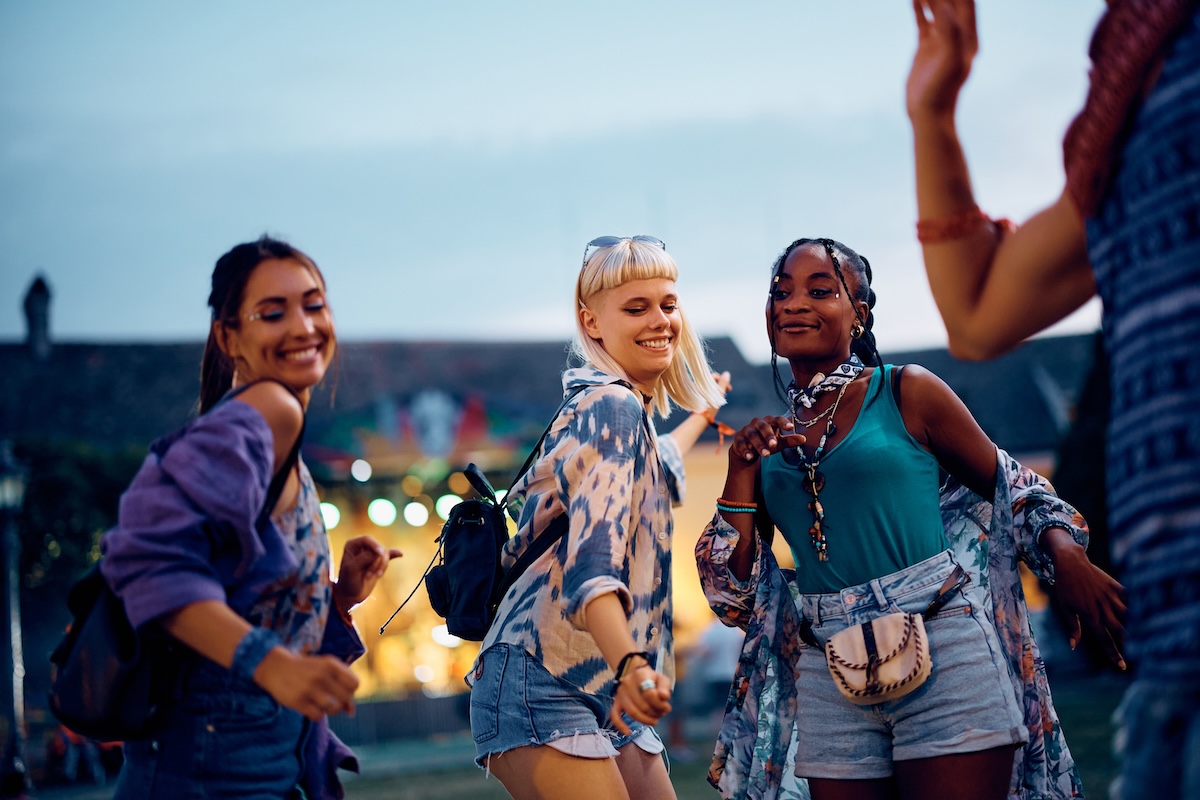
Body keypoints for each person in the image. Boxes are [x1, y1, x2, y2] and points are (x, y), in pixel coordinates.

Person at [695, 237, 1125, 800]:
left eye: (820, 290)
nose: (793, 303)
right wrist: (740, 471)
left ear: (860, 313)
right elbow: (733, 597)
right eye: (781, 293)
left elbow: (1011, 486)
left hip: (943, 645)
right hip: (830, 672)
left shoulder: (907, 392)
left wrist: (1066, 555)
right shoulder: (768, 442)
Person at [905, 2, 1200, 796]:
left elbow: (1018, 485)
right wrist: (933, 114)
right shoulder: (1135, 84)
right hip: (1172, 656)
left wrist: (1059, 544)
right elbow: (978, 309)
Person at [100, 236, 401, 799]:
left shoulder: (271, 421)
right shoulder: (265, 411)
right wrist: (272, 666)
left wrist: (336, 598)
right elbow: (141, 559)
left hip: (253, 756)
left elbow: (239, 600)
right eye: (273, 312)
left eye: (314, 304)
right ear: (227, 336)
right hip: (210, 765)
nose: (302, 326)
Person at [468, 235, 730, 800]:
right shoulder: (609, 407)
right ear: (591, 323)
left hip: (601, 677)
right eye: (636, 308)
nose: (660, 320)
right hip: (546, 675)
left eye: (668, 303)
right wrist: (635, 667)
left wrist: (703, 415)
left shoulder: (621, 413)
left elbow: (661, 464)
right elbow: (592, 569)